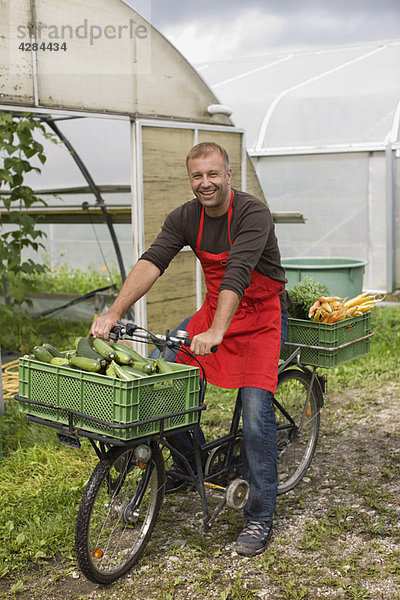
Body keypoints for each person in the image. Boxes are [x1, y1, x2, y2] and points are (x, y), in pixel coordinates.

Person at [91, 142, 291, 556]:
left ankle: (259, 515)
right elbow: (153, 261)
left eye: (213, 174)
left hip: (259, 318)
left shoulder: (252, 214)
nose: (205, 183)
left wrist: (218, 331)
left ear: (229, 176)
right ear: (190, 179)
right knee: (165, 382)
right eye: (197, 176)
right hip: (215, 313)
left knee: (255, 414)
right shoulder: (184, 217)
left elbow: (237, 272)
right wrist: (113, 312)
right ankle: (194, 464)